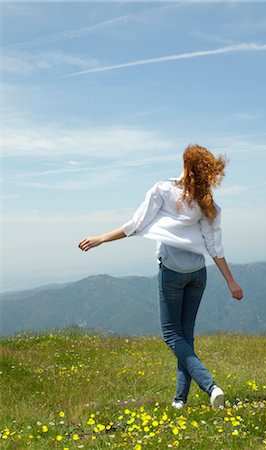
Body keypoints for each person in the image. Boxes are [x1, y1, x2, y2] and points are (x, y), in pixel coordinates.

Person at [78, 144, 243, 410]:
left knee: (170, 335)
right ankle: (180, 400)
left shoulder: (163, 190)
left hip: (172, 272)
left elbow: (135, 225)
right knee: (184, 337)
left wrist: (101, 239)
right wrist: (230, 281)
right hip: (198, 274)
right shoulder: (204, 199)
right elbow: (215, 246)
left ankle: (211, 386)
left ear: (185, 164)